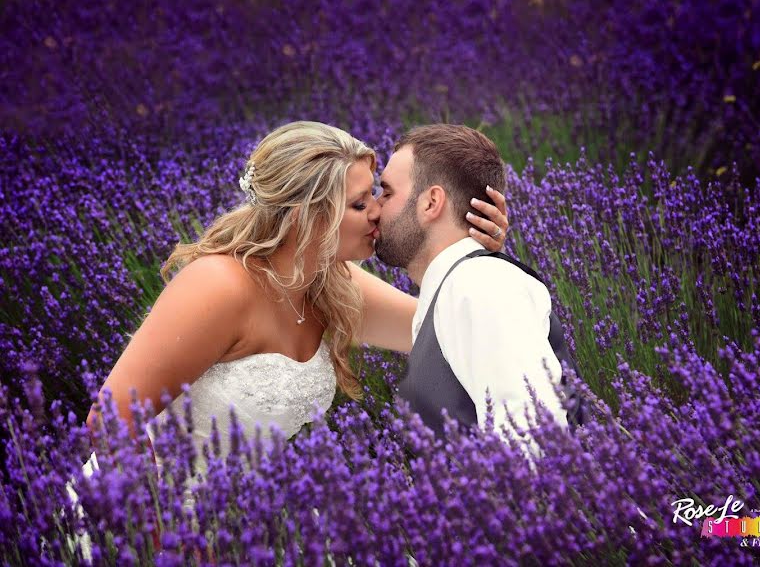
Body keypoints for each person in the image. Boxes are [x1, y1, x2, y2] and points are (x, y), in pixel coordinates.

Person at [85, 120, 510, 467]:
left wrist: (471, 254)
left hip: (237, 523)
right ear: (308, 216)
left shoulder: (332, 285)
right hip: (140, 517)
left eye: (375, 196)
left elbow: (446, 329)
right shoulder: (219, 285)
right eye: (360, 204)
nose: (379, 212)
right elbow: (111, 419)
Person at [374, 124, 579, 444]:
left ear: (430, 203)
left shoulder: (479, 286)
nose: (375, 207)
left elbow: (533, 439)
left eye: (386, 192)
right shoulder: (454, 290)